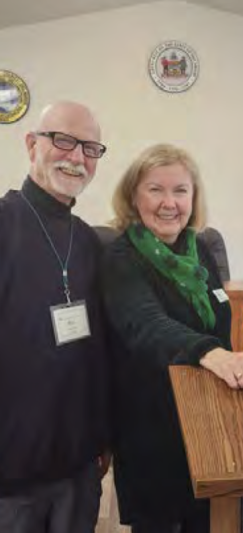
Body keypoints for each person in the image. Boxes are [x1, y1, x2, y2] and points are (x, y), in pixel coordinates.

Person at [100, 143, 243, 533]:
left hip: (207, 422)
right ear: (133, 196)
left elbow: (219, 318)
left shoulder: (201, 250)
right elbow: (146, 322)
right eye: (155, 189)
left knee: (210, 520)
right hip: (151, 429)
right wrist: (214, 354)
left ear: (194, 197)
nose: (169, 202)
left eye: (180, 190)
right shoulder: (120, 257)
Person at [0, 101, 110, 533]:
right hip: (11, 470)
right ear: (31, 145)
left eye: (90, 148)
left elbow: (99, 350)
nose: (77, 156)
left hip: (79, 465)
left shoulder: (89, 241)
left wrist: (103, 436)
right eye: (63, 140)